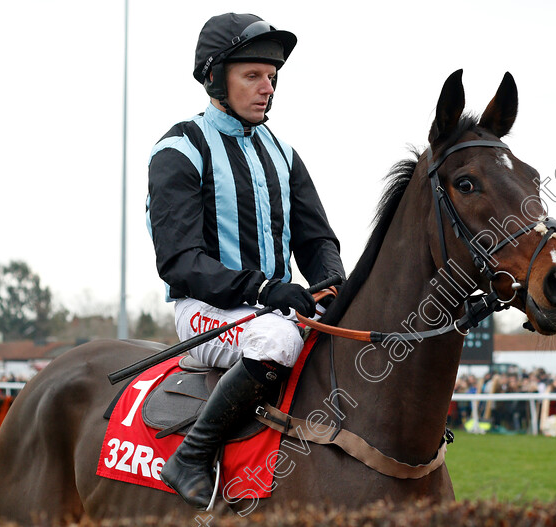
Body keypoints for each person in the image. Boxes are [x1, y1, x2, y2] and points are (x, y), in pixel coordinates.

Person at [146, 12, 345, 509]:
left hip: (274, 306)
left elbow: (318, 240)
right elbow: (179, 261)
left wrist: (330, 284)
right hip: (205, 312)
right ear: (215, 77)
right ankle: (192, 457)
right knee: (277, 337)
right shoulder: (179, 150)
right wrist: (263, 289)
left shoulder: (284, 153)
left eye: (272, 78)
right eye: (252, 76)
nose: (267, 88)